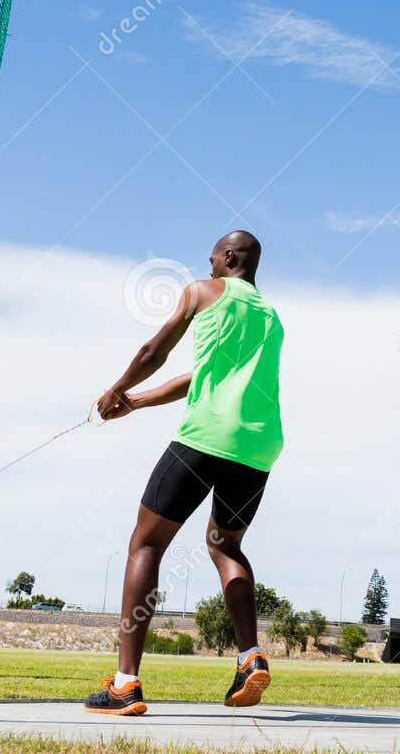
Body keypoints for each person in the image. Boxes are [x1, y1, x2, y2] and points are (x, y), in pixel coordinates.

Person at [84, 230, 284, 716]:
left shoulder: (201, 291)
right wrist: (135, 402)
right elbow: (200, 378)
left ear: (230, 256)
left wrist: (117, 386)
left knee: (146, 544)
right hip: (258, 444)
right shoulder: (270, 316)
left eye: (214, 256)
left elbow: (155, 351)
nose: (209, 262)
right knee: (226, 547)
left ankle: (125, 683)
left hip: (205, 437)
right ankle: (249, 656)